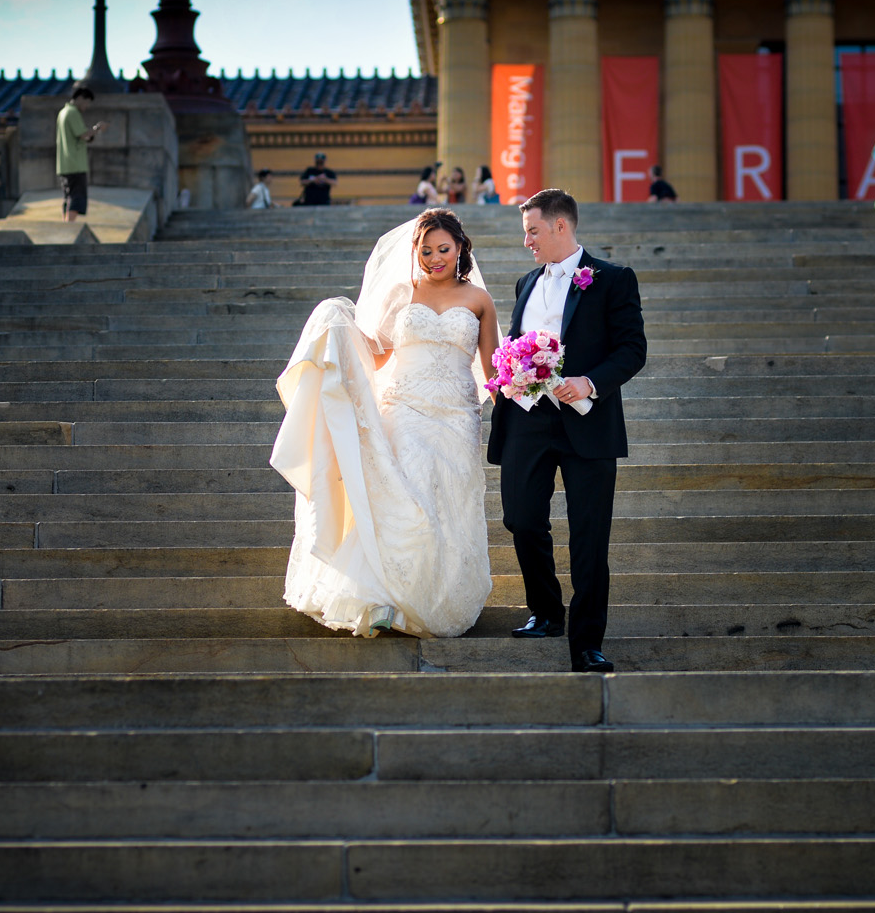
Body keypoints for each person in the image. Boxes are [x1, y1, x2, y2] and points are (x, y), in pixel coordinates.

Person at [271, 208, 500, 637]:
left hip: (456, 417)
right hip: (406, 409)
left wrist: (527, 376)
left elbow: (493, 370)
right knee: (407, 498)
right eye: (426, 250)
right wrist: (338, 327)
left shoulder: (478, 300)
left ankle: (432, 597)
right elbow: (376, 354)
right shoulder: (402, 293)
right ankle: (385, 599)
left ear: (461, 248)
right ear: (415, 251)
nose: (435, 258)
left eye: (443, 249)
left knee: (448, 506)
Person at [487, 188, 647, 673]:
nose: (527, 242)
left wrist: (590, 382)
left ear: (561, 226)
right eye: (525, 233)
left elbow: (632, 349)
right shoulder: (524, 283)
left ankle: (586, 642)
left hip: (587, 423)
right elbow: (516, 343)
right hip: (527, 420)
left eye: (532, 231)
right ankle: (547, 611)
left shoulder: (612, 279)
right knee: (520, 516)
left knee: (589, 536)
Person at [55, 86, 106, 222]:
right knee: (76, 197)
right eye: (87, 101)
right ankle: (69, 227)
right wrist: (97, 129)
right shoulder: (72, 113)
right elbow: (83, 134)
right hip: (75, 163)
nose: (87, 106)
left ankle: (66, 224)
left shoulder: (63, 112)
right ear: (79, 98)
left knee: (68, 196)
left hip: (64, 164)